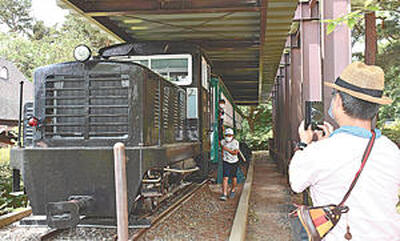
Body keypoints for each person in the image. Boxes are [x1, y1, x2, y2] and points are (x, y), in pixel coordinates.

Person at [289, 62, 400, 241]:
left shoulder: (320, 152)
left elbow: (296, 183)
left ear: (339, 101)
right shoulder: (392, 150)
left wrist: (304, 144)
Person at [220, 128, 240, 201]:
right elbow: (221, 146)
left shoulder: (236, 143)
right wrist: (223, 153)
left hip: (234, 161)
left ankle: (233, 190)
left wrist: (226, 149)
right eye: (226, 135)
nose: (228, 136)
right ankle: (224, 194)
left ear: (232, 135)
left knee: (233, 177)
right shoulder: (222, 142)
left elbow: (235, 153)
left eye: (229, 135)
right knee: (225, 177)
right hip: (226, 161)